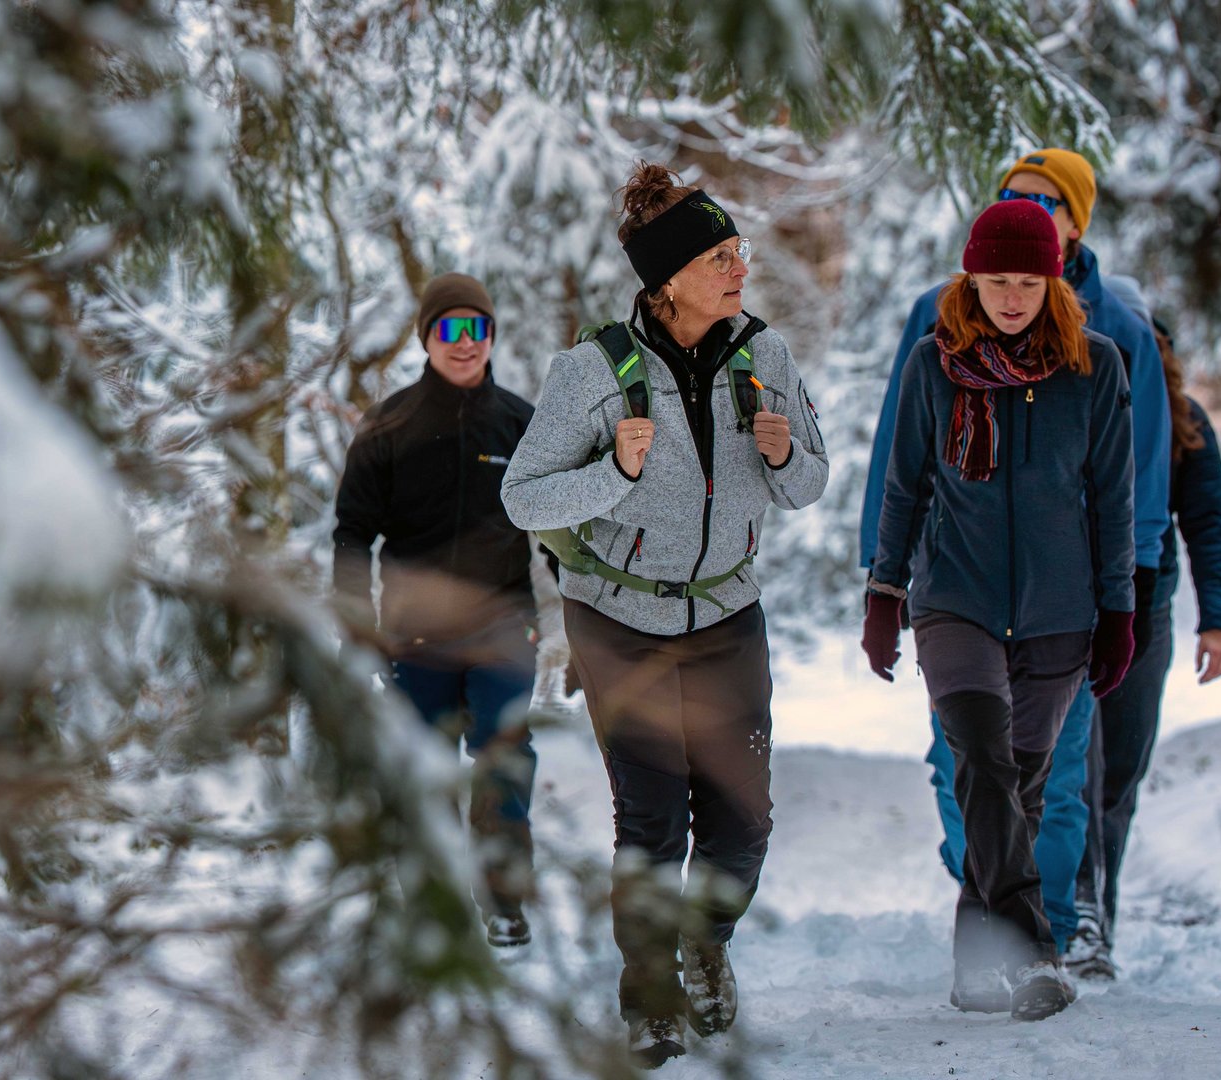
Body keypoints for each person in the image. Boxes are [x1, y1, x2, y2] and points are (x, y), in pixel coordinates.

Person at [502, 163, 827, 1067]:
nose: (739, 269)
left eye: (739, 251)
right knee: (650, 821)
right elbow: (524, 498)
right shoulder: (592, 372)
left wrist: (786, 448)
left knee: (744, 816)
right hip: (620, 618)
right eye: (720, 256)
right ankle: (648, 998)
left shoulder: (767, 357)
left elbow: (811, 484)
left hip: (728, 612)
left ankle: (706, 942)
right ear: (668, 278)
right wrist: (616, 472)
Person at [857, 148, 1171, 954]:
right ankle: (1022, 942)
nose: (1011, 295)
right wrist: (883, 586)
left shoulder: (1109, 345)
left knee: (1044, 784)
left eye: (1048, 202)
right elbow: (903, 465)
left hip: (1062, 605)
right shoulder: (936, 337)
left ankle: (1045, 936)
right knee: (971, 769)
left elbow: (1124, 485)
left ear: (1069, 239)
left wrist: (1121, 604)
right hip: (956, 594)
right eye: (1013, 196)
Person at [332, 272, 542, 948]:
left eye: (477, 328)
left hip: (505, 626)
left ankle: (504, 903)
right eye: (449, 328)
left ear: (491, 337)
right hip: (414, 635)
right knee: (421, 772)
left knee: (502, 758)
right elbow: (351, 534)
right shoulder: (388, 424)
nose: (464, 343)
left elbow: (559, 529)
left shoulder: (518, 422)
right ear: (426, 337)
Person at [1069, 313, 1221, 978]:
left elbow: (1210, 523)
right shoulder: (1074, 400)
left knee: (1119, 775)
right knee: (1074, 770)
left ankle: (1098, 918)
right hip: (1069, 606)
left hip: (1149, 608)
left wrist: (1217, 620)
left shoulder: (1183, 422)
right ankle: (1077, 915)